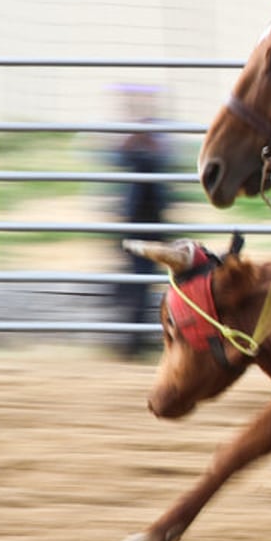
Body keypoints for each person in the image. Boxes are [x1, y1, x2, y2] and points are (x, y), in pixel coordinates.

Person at [111, 84, 170, 359]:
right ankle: (131, 340)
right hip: (134, 218)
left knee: (146, 279)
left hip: (153, 218)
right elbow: (120, 155)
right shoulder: (130, 137)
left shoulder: (158, 135)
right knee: (137, 279)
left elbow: (162, 155)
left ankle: (135, 337)